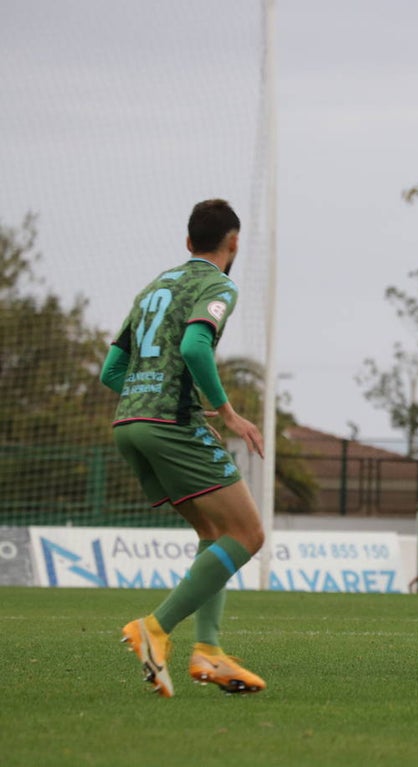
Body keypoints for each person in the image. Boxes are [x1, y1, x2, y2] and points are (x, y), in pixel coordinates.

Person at [100, 199, 266, 697]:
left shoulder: (154, 286)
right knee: (250, 534)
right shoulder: (217, 284)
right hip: (168, 422)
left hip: (130, 420)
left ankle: (210, 652)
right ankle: (154, 628)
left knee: (216, 533)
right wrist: (226, 413)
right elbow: (195, 347)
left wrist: (153, 398)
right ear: (232, 242)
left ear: (188, 242)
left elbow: (112, 371)